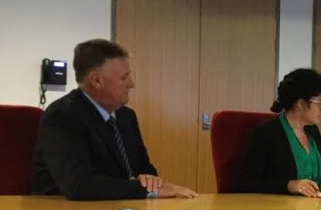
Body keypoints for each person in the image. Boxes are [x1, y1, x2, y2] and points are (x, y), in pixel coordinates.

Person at [32, 39, 197, 200]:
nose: (132, 84)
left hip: (121, 209)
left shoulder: (126, 116)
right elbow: (81, 185)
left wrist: (150, 181)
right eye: (124, 78)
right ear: (96, 80)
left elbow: (145, 169)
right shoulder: (62, 116)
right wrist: (144, 190)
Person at [239, 68, 321, 196]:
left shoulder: (312, 131)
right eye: (320, 103)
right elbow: (247, 183)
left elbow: (320, 182)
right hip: (279, 207)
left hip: (316, 206)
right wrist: (289, 185)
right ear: (301, 103)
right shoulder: (266, 133)